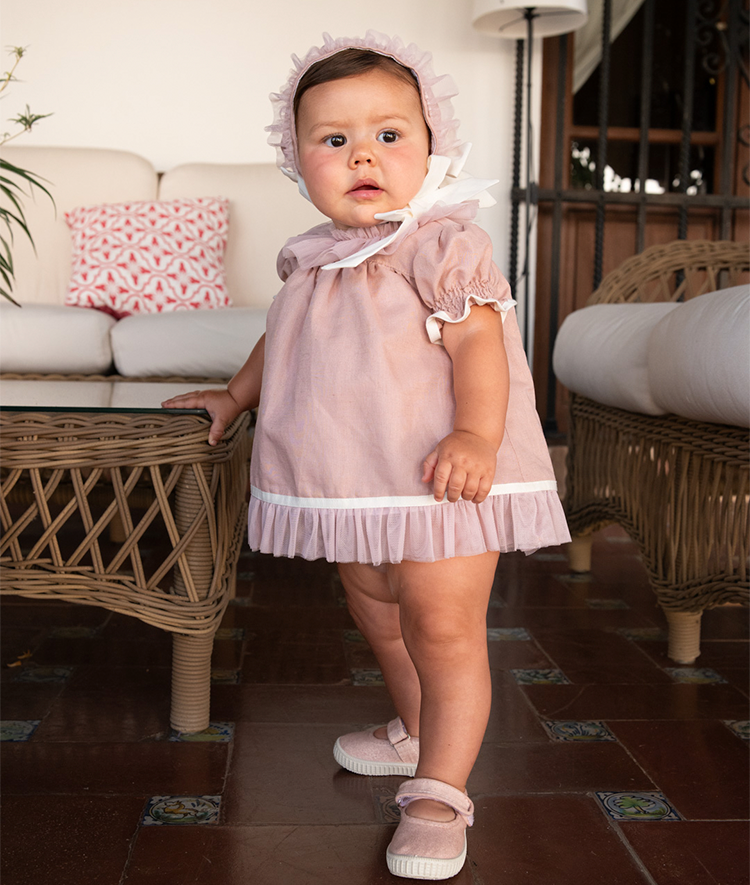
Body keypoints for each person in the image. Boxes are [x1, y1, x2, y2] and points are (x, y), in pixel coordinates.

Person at [163, 31, 570, 881]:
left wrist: (476, 436)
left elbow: (480, 348)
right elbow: (283, 340)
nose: (362, 155)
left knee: (441, 626)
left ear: (430, 147)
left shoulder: (441, 245)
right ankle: (417, 730)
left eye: (389, 134)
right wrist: (235, 396)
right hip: (356, 480)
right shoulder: (312, 261)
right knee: (378, 610)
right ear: (297, 161)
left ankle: (440, 793)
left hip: (444, 481)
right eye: (333, 138)